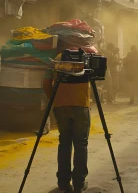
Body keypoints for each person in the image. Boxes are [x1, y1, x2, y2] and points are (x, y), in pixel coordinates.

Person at [43, 48, 91, 193]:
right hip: (81, 106)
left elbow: (46, 81)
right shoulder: (87, 59)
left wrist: (54, 98)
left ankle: (63, 183)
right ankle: (79, 183)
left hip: (61, 106)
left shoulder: (57, 59)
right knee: (81, 144)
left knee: (64, 142)